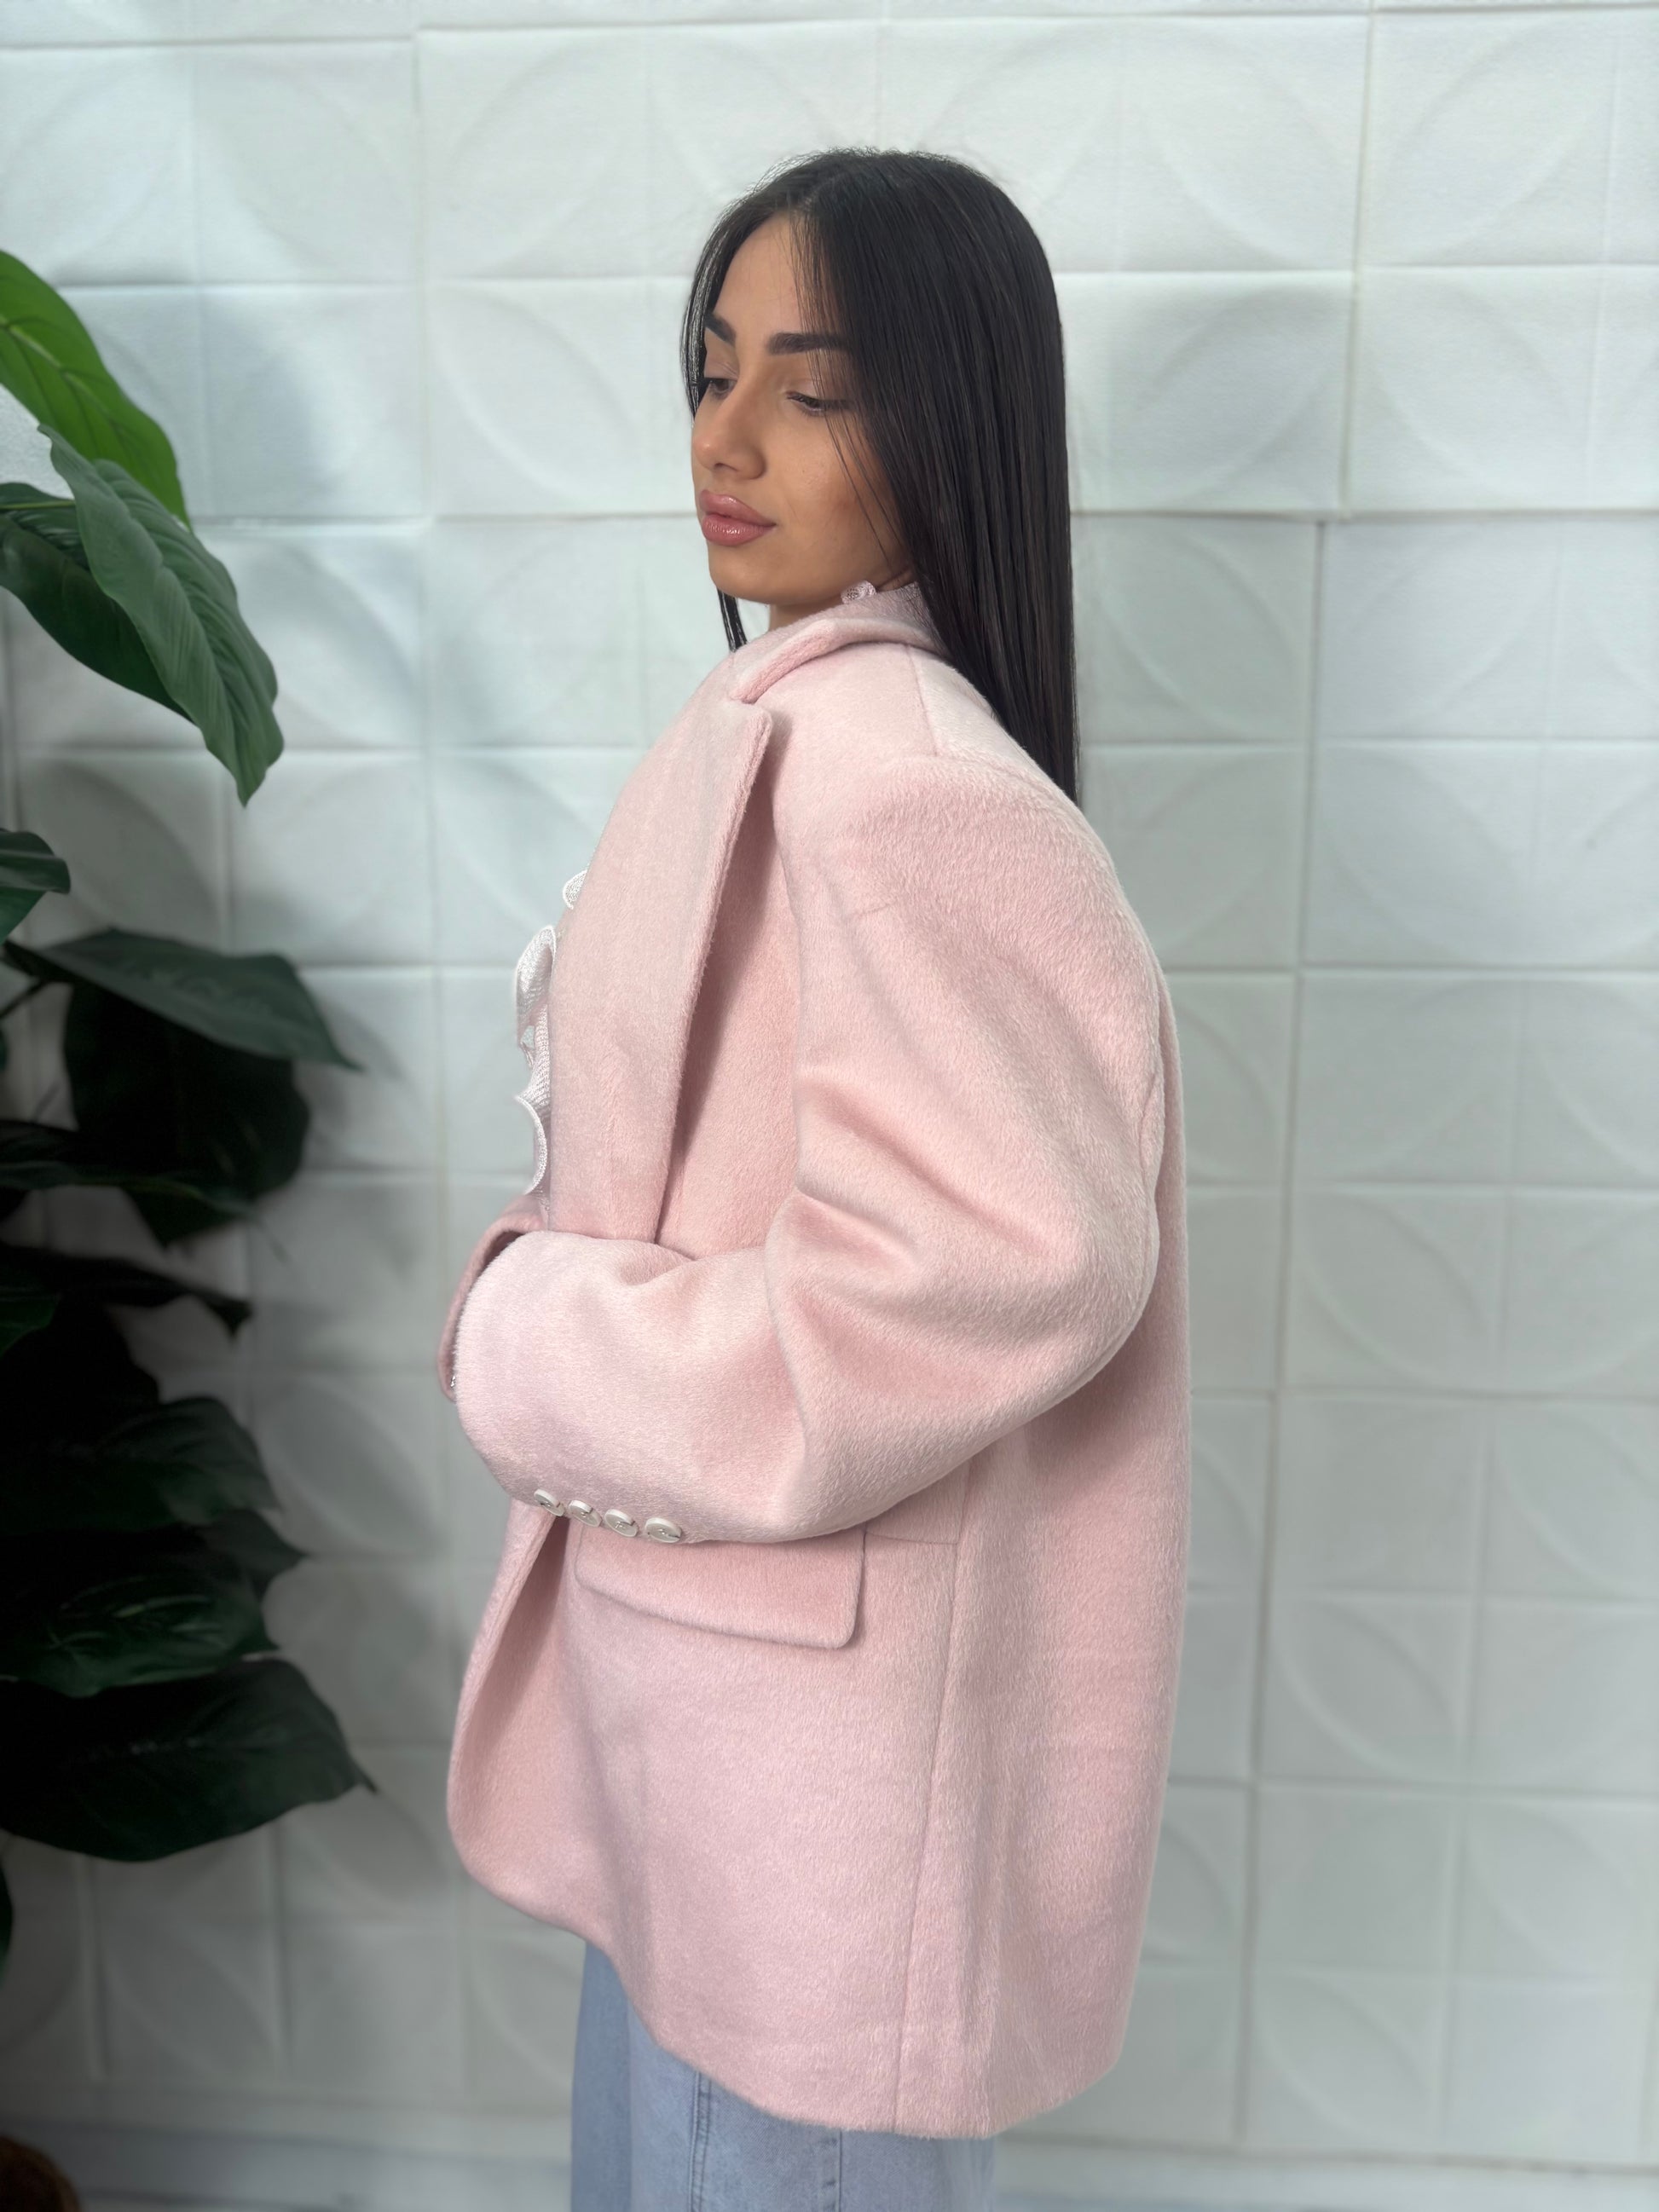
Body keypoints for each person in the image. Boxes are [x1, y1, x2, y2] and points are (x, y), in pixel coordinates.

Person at [437, 147, 1190, 2212]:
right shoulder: (791, 731)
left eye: (815, 385)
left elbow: (984, 1269)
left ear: (949, 418)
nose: (727, 436)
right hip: (726, 1713)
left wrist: (535, 1339)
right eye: (710, 370)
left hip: (808, 1777)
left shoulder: (901, 784)